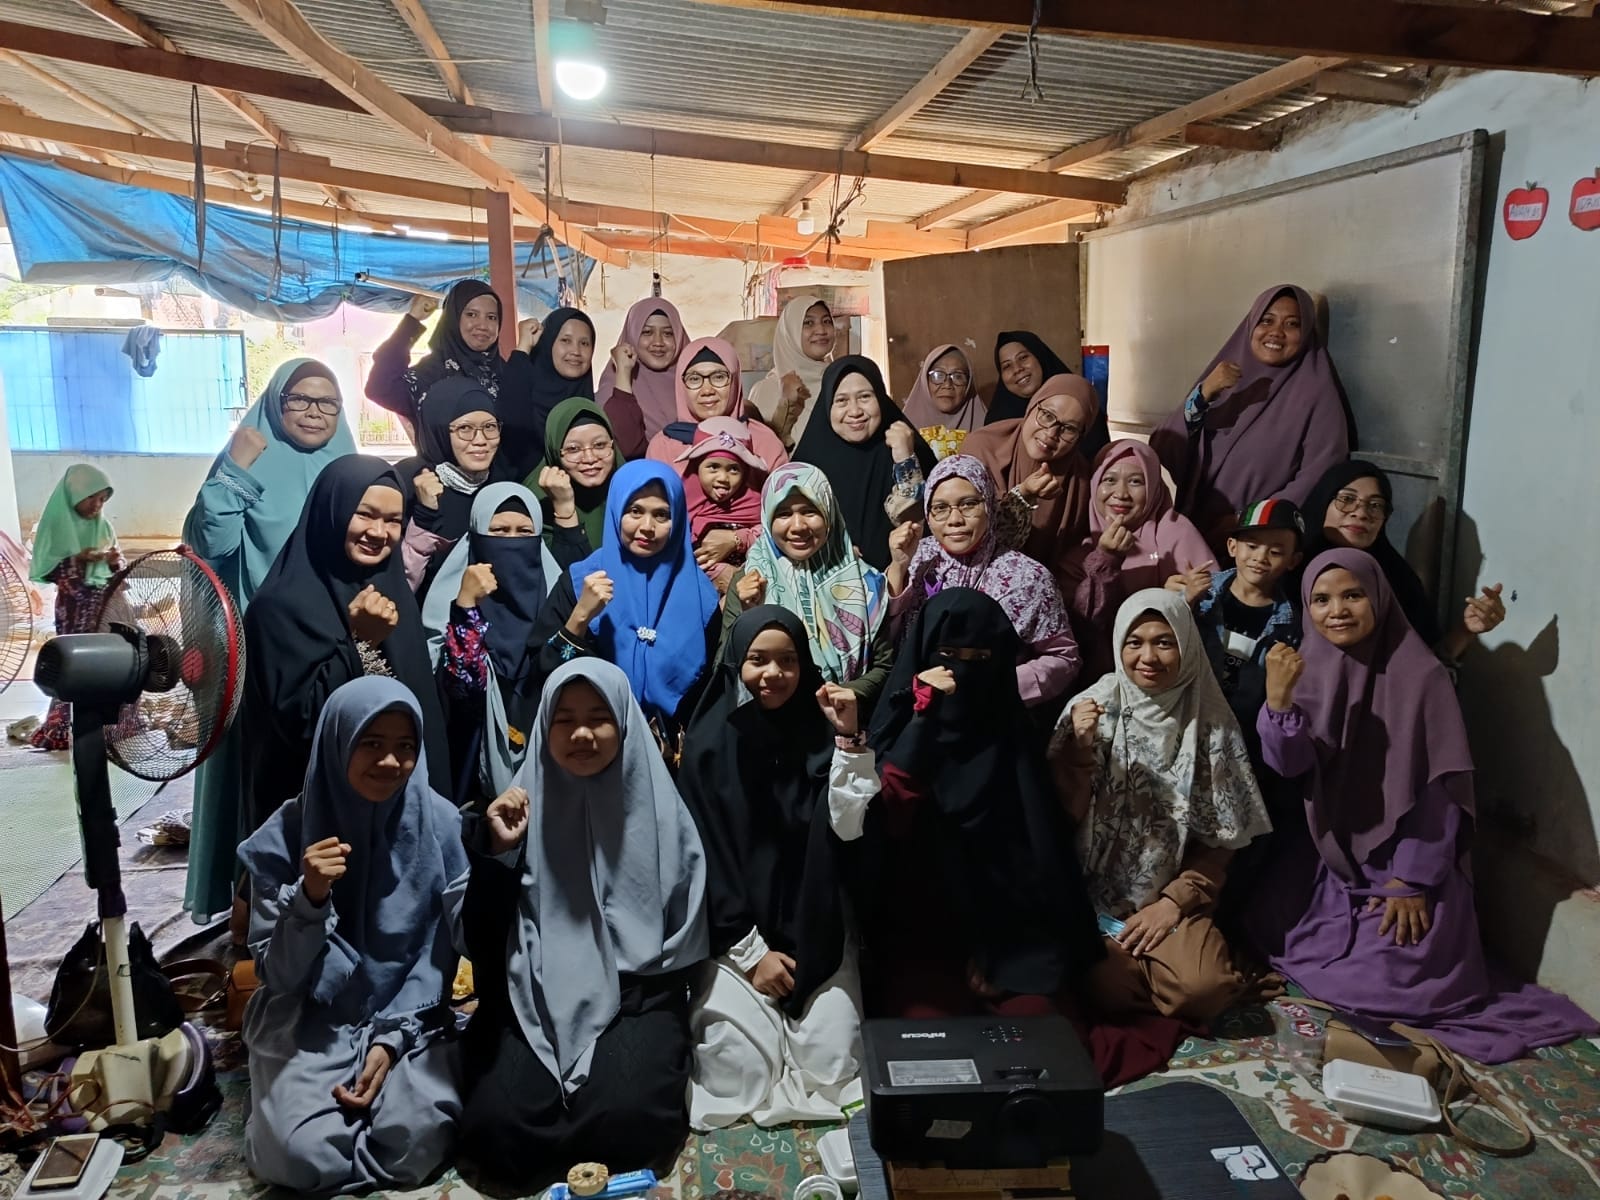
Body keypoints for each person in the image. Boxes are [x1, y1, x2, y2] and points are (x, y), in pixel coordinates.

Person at [1253, 550, 1596, 1062]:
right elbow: (1289, 766)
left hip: (1408, 857)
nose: (1337, 611)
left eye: (1353, 595)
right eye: (1321, 600)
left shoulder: (1422, 676)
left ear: (1379, 598)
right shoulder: (1305, 667)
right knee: (1271, 925)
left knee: (1396, 979)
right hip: (1331, 850)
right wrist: (1279, 703)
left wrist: (1410, 880)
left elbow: (1441, 794)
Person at [457, 660, 708, 1188]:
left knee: (633, 1117)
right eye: (564, 720)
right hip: (530, 989)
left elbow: (681, 942)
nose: (582, 734)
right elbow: (482, 943)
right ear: (544, 727)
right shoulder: (513, 813)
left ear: (625, 722)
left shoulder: (663, 815)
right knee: (495, 1126)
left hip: (638, 992)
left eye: (598, 717)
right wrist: (499, 852)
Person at [236, 677, 468, 1194]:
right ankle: (292, 1115)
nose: (390, 762)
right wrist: (310, 898)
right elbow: (280, 976)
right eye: (371, 743)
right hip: (311, 1016)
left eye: (405, 746)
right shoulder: (286, 835)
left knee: (413, 1141)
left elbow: (437, 957)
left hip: (411, 1017)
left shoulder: (441, 825)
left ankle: (343, 1126)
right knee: (298, 1156)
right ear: (337, 741)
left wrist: (390, 1040)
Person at [862, 588, 1105, 1019]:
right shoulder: (895, 729)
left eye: (980, 658)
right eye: (948, 655)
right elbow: (884, 826)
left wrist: (1007, 956)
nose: (962, 672)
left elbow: (1041, 860)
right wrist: (921, 722)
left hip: (1006, 935)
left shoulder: (1011, 738)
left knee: (1037, 1030)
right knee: (926, 1041)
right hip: (916, 932)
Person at [680, 608, 876, 1129]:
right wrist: (752, 955)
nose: (773, 674)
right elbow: (703, 858)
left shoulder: (826, 734)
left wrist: (848, 741)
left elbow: (849, 830)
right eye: (757, 660)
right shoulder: (709, 745)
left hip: (816, 925)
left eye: (787, 660)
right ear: (735, 664)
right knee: (734, 1074)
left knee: (834, 1066)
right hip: (735, 936)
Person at [182, 357, 356, 925]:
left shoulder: (347, 465)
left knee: (323, 771)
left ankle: (322, 905)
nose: (314, 412)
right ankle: (251, 903)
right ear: (276, 404)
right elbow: (210, 543)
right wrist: (236, 467)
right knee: (258, 778)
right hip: (259, 652)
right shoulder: (248, 459)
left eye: (327, 402)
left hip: (331, 646)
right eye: (299, 399)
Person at [1052, 589, 1273, 1024]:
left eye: (1164, 642)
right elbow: (1057, 821)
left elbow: (1223, 841)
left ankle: (1158, 969)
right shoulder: (1094, 708)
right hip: (1086, 897)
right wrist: (1077, 752)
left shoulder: (1210, 720)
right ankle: (1134, 973)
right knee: (1104, 987)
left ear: (1187, 646)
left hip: (1168, 898)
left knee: (1205, 991)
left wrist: (1172, 903)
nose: (1148, 657)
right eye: (1134, 642)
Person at [241, 456, 449, 833]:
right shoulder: (278, 607)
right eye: (365, 514)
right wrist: (361, 642)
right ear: (331, 512)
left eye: (393, 520)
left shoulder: (391, 593)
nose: (378, 532)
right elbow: (301, 725)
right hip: (317, 816)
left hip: (396, 809)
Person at [530, 459, 721, 758]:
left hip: (670, 759)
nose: (647, 527)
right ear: (616, 511)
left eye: (662, 514)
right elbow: (542, 670)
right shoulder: (580, 581)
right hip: (586, 750)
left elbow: (708, 697)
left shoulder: (701, 597)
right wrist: (581, 617)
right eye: (635, 511)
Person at [1151, 284, 1352, 551]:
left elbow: (1320, 473)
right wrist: (1203, 394)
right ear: (1251, 325)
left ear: (1305, 333)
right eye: (1266, 320)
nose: (1276, 332)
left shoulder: (1317, 393)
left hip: (1260, 543)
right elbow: (1164, 446)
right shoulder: (1223, 376)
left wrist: (1248, 519)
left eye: (1292, 324)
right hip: (1193, 532)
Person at [886, 454, 1079, 708]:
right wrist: (898, 568)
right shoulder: (917, 558)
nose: (955, 519)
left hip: (990, 715)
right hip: (912, 709)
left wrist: (996, 687)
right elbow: (885, 641)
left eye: (968, 504)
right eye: (940, 508)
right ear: (928, 515)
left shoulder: (1028, 577)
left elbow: (1063, 658)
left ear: (989, 505)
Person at [1192, 499, 1306, 912]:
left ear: (1293, 560)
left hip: (1245, 751)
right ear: (1232, 546)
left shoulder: (1293, 624)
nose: (1261, 557)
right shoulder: (1201, 598)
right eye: (1252, 545)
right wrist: (1181, 604)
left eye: (1276, 550)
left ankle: (1216, 916)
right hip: (1189, 735)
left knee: (1233, 844)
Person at [424, 483, 561, 806]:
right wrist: (466, 606)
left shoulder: (558, 595)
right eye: (498, 531)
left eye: (524, 531)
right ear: (476, 535)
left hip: (546, 760)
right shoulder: (449, 599)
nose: (512, 541)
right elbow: (459, 691)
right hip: (466, 763)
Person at [722, 463, 893, 713]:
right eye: (783, 514)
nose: (798, 526)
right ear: (767, 518)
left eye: (810, 511)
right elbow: (724, 667)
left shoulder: (864, 579)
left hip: (844, 716)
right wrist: (748, 615)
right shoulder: (750, 578)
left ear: (829, 512)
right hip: (772, 719)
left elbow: (885, 665)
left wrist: (849, 693)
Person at [1299, 460, 1505, 663]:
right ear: (1322, 502)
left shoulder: (1397, 580)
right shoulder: (1290, 567)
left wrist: (1466, 630)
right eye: (1347, 499)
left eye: (1375, 505)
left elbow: (1427, 662)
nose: (1361, 513)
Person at [792, 355, 936, 570]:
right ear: (827, 404)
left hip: (907, 577)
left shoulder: (909, 448)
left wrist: (906, 462)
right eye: (841, 401)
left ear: (881, 397)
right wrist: (829, 550)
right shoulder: (806, 464)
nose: (855, 411)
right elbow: (790, 529)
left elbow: (925, 524)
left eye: (865, 397)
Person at [962, 373, 1100, 581]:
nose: (1051, 433)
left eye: (1069, 429)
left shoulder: (1080, 479)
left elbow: (1075, 553)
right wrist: (1023, 496)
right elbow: (972, 539)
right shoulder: (981, 448)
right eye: (1047, 416)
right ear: (1032, 407)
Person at [27, 464, 122, 751]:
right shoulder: (57, 527)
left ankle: (113, 727)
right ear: (74, 494)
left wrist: (112, 562)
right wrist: (79, 559)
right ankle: (62, 728)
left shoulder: (103, 527)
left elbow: (117, 570)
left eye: (103, 499)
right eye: (91, 497)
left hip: (104, 612)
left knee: (110, 664)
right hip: (74, 613)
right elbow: (53, 569)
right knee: (73, 667)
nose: (97, 505)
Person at [394, 377, 511, 597]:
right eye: (465, 428)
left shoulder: (503, 487)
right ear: (438, 429)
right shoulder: (407, 482)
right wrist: (424, 516)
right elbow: (395, 584)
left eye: (489, 427)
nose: (480, 440)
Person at [364, 280, 512, 432]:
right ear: (453, 319)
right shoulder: (431, 374)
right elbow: (379, 388)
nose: (483, 325)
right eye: (471, 314)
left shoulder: (506, 375)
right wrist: (411, 322)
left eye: (491, 317)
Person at [1089, 439, 1215, 596]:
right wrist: (1104, 557)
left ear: (1154, 488)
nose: (1121, 494)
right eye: (1109, 480)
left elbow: (1215, 594)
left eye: (1135, 482)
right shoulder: (1080, 534)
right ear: (1095, 484)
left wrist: (1179, 597)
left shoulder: (1177, 532)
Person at [645, 336, 789, 472]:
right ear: (681, 385)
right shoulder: (663, 447)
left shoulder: (764, 442)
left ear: (735, 381)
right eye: (694, 379)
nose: (707, 390)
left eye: (719, 377)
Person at [525, 397, 625, 570]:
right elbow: (565, 577)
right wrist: (564, 508)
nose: (590, 458)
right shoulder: (534, 501)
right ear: (555, 452)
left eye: (600, 445)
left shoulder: (631, 489)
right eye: (573, 449)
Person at [676, 417, 769, 594]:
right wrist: (717, 572)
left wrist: (740, 539)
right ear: (696, 467)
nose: (723, 478)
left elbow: (772, 537)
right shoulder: (679, 505)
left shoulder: (756, 504)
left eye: (734, 469)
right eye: (713, 467)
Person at [501, 306, 597, 478]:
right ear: (547, 343)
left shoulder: (590, 405)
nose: (576, 351)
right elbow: (512, 423)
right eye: (565, 340)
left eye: (584, 343)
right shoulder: (524, 394)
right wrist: (523, 348)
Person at [985, 331, 1107, 455]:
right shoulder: (995, 425)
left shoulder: (1080, 406)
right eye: (1007, 366)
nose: (1017, 369)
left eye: (1023, 358)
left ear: (1040, 357)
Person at [597, 297, 689, 454]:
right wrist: (624, 374)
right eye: (647, 332)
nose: (658, 342)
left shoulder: (696, 379)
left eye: (668, 333)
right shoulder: (614, 382)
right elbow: (624, 446)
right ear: (632, 335)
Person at [748, 296, 836, 446]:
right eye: (808, 323)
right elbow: (760, 448)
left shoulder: (841, 383)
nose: (821, 330)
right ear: (790, 332)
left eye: (827, 321)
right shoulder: (765, 390)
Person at [901, 343, 985, 459]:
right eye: (938, 375)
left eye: (958, 376)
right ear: (925, 381)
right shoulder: (903, 431)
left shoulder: (987, 429)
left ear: (968, 384)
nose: (947, 385)